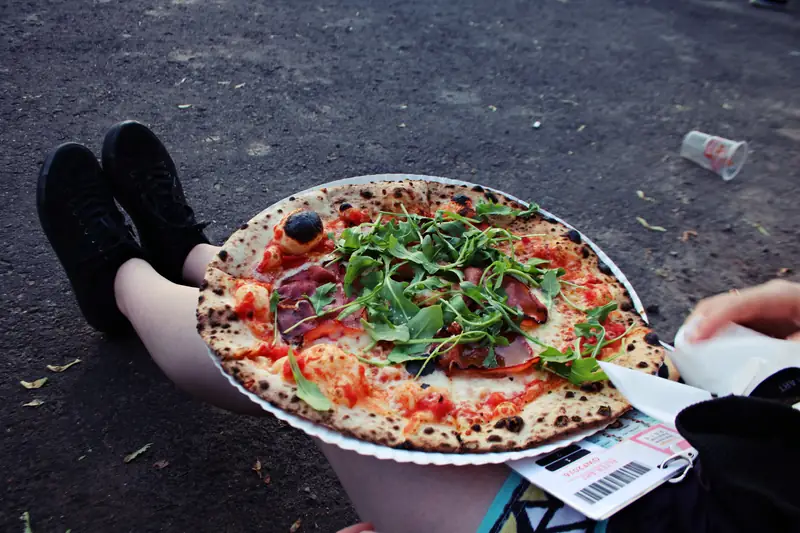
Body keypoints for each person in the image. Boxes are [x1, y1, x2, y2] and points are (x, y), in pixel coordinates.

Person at [37, 121, 800, 533]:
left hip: (685, 515)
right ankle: (201, 257)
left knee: (331, 371)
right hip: (756, 427)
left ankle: (122, 278)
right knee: (345, 297)